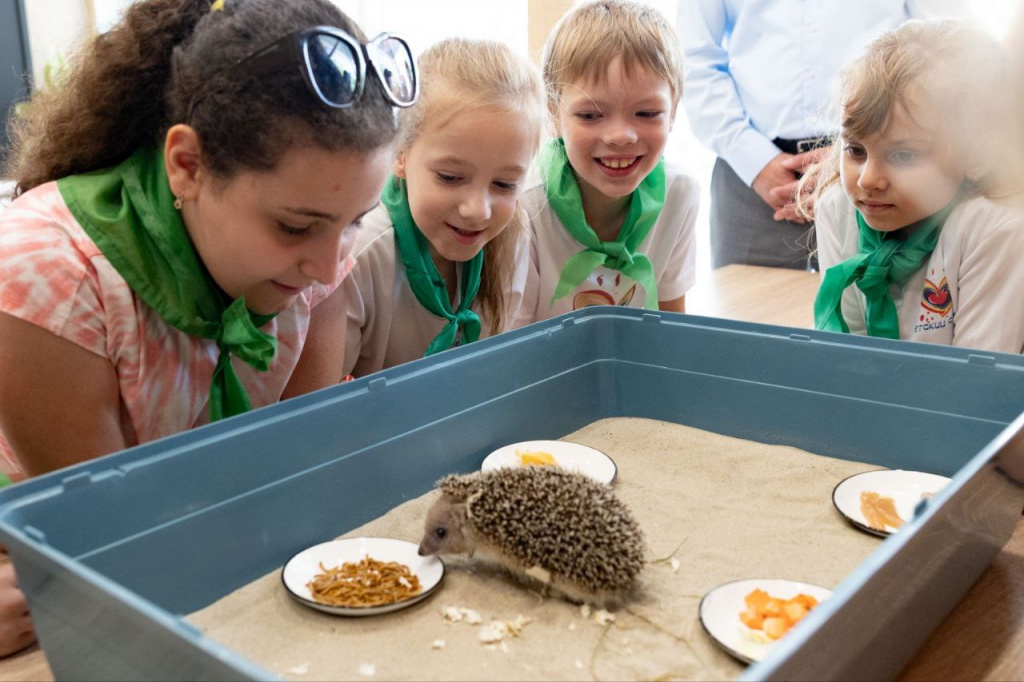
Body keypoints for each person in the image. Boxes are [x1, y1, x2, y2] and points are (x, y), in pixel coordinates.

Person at [0, 0, 415, 654]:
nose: (332, 265)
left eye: (356, 220)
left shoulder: (321, 256)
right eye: (294, 226)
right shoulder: (48, 278)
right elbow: (121, 544)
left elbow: (299, 464)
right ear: (187, 166)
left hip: (207, 544)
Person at [677, 0, 961, 270]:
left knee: (887, 309)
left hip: (882, 169)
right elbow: (693, 57)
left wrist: (849, 154)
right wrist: (755, 160)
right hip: (750, 179)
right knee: (743, 313)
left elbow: (944, 39)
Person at [804, 20, 1024, 353]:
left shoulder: (995, 228)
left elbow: (979, 377)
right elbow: (846, 352)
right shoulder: (838, 209)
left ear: (976, 155)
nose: (867, 180)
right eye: (856, 150)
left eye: (903, 155)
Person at [335, 38, 545, 377]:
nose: (478, 210)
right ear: (399, 153)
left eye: (505, 184)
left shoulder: (513, 239)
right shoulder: (358, 258)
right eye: (450, 177)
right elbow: (321, 409)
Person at [514, 0, 698, 324]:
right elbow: (515, 347)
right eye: (590, 115)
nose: (620, 136)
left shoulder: (680, 194)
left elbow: (672, 329)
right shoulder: (525, 208)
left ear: (674, 111)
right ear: (553, 115)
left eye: (646, 113)